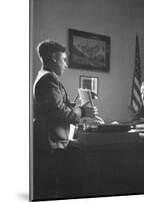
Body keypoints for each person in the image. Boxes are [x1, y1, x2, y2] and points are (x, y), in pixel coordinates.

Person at [32, 40, 99, 199]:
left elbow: (56, 105)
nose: (66, 64)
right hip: (50, 144)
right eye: (64, 59)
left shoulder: (46, 77)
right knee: (49, 190)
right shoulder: (48, 79)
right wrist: (83, 111)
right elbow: (59, 110)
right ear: (54, 57)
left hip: (51, 142)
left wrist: (79, 104)